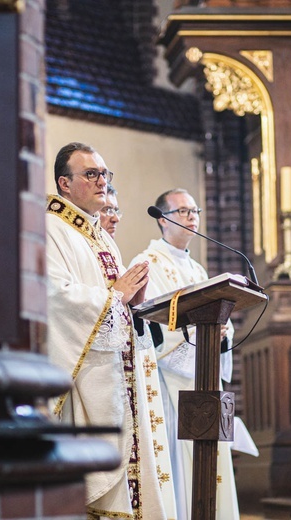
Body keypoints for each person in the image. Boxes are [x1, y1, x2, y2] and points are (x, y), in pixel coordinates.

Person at [46, 142, 169, 520]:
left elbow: (115, 302)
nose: (102, 181)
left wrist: (130, 302)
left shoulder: (99, 236)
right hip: (83, 384)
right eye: (91, 174)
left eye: (105, 174)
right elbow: (54, 298)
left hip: (117, 383)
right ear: (65, 184)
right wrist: (114, 297)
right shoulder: (50, 227)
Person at [129, 188, 242, 520]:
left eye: (195, 211)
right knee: (180, 468)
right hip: (169, 389)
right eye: (183, 211)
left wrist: (220, 334)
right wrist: (198, 332)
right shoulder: (146, 263)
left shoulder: (197, 270)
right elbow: (149, 327)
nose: (192, 217)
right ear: (162, 220)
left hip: (202, 383)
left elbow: (222, 322)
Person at [99, 184, 178, 519]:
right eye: (107, 210)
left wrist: (138, 305)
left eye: (117, 210)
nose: (114, 218)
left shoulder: (114, 257)